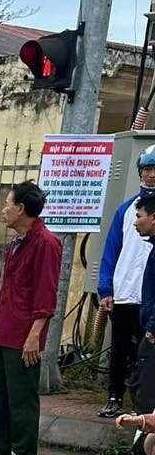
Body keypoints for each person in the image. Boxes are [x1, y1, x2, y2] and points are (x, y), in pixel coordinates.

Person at [0, 182, 63, 455]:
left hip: (25, 334)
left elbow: (45, 295)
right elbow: (10, 289)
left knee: (22, 398)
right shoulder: (16, 242)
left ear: (21, 208)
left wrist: (35, 335)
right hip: (5, 330)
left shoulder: (46, 243)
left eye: (7, 203)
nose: (3, 209)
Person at [96, 145, 155, 417]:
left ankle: (143, 405)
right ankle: (115, 396)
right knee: (120, 349)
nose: (151, 175)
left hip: (150, 298)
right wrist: (106, 287)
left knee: (147, 353)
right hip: (126, 292)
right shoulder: (127, 210)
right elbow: (111, 250)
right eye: (147, 169)